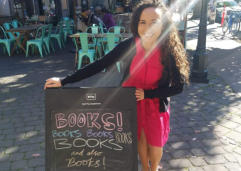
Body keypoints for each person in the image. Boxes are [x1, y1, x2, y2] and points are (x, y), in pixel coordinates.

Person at [44, 0, 190, 171]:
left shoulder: (169, 49)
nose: (148, 27)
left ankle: (154, 168)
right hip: (129, 101)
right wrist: (63, 80)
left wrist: (148, 94)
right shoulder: (129, 46)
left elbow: (179, 87)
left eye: (154, 22)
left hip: (155, 103)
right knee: (140, 140)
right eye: (142, 22)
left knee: (156, 144)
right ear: (136, 24)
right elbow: (99, 64)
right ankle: (144, 168)